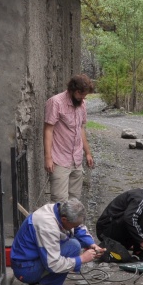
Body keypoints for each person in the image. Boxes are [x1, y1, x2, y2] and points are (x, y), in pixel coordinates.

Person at [10, 198, 104, 285]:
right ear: (64, 219)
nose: (76, 227)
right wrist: (81, 259)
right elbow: (53, 264)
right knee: (74, 246)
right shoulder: (47, 226)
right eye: (74, 225)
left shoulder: (58, 210)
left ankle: (40, 282)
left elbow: (79, 228)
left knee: (74, 243)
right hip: (25, 269)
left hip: (31, 261)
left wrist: (91, 244)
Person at [44, 74, 95, 203]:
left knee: (74, 203)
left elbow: (80, 129)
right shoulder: (55, 102)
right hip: (59, 159)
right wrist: (48, 158)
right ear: (74, 91)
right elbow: (48, 130)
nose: (83, 98)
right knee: (59, 202)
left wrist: (87, 152)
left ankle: (72, 224)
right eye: (82, 95)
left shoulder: (82, 104)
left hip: (77, 160)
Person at [95, 180, 143, 261]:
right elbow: (129, 218)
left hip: (115, 226)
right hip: (105, 230)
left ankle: (139, 250)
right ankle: (139, 250)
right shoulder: (142, 198)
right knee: (138, 216)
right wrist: (141, 241)